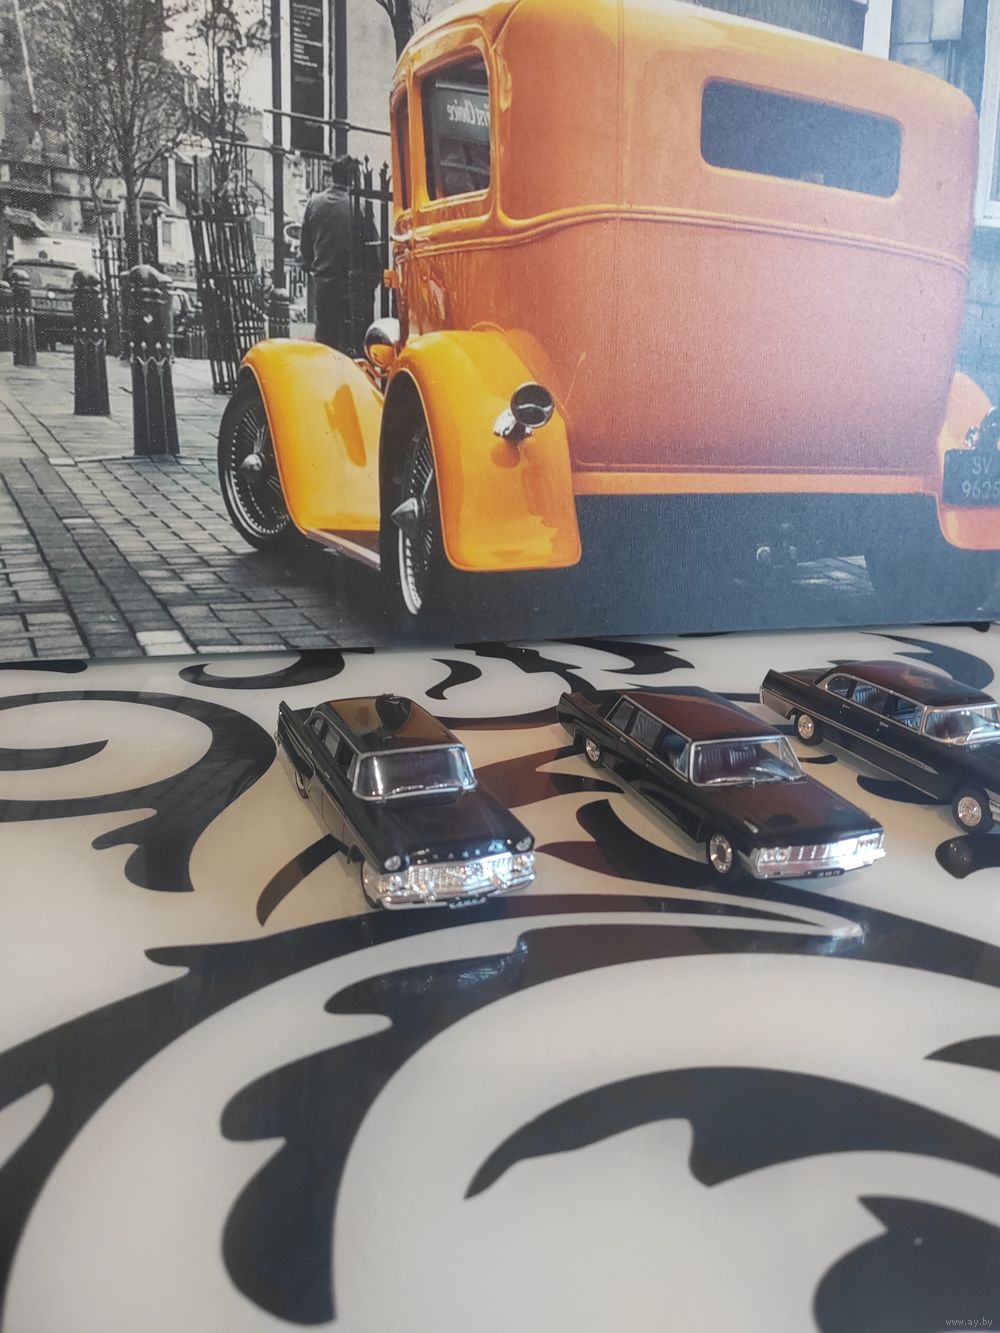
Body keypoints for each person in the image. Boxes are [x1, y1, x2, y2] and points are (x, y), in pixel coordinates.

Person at [299, 156, 380, 355]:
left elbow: (305, 247)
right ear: (352, 178)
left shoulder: (314, 203)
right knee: (353, 344)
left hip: (324, 284)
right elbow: (373, 249)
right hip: (351, 286)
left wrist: (312, 266)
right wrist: (373, 281)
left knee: (326, 342)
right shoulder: (359, 206)